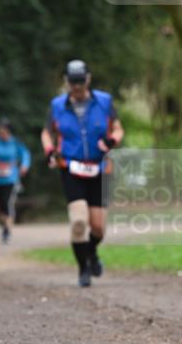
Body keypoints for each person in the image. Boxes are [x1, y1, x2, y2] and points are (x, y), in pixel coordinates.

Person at [41, 59, 123, 286]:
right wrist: (49, 151)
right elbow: (47, 133)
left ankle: (91, 253)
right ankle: (83, 269)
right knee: (79, 222)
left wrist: (111, 140)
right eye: (72, 81)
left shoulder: (104, 102)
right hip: (71, 167)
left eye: (80, 81)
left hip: (99, 167)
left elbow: (117, 128)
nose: (76, 86)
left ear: (88, 79)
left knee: (98, 227)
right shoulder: (57, 105)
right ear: (66, 82)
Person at [0, 119, 31, 243]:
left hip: (11, 178)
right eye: (0, 132)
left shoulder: (15, 142)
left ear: (9, 132)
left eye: (4, 132)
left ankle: (7, 230)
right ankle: (5, 226)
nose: (2, 135)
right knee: (0, 205)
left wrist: (24, 165)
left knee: (7, 202)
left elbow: (25, 154)